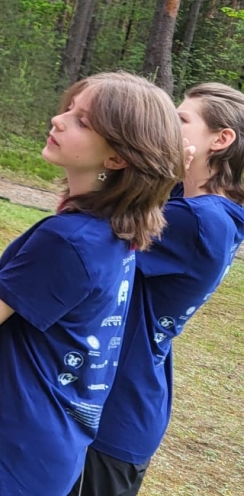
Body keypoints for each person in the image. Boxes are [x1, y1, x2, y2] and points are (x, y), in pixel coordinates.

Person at [0, 72, 185, 496]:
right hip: (47, 456)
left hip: (6, 459)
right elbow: (21, 322)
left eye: (83, 121)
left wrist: (14, 265)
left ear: (117, 158)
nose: (58, 119)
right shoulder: (115, 236)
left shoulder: (65, 239)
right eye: (69, 108)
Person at [80, 83, 244, 495]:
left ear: (221, 140)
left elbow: (83, 221)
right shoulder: (193, 204)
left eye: (182, 119)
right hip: (121, 402)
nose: (169, 125)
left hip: (112, 410)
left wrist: (95, 168)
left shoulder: (198, 220)